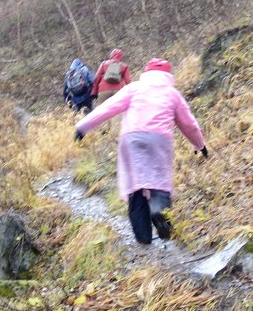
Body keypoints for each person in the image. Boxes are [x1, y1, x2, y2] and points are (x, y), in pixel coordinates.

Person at [74, 58, 208, 245]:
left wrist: (83, 127)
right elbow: (189, 124)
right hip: (160, 140)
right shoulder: (173, 94)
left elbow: (108, 108)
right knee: (159, 182)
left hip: (132, 139)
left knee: (135, 187)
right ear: (168, 75)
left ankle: (143, 237)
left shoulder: (133, 88)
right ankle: (159, 209)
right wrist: (199, 145)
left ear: (146, 73)